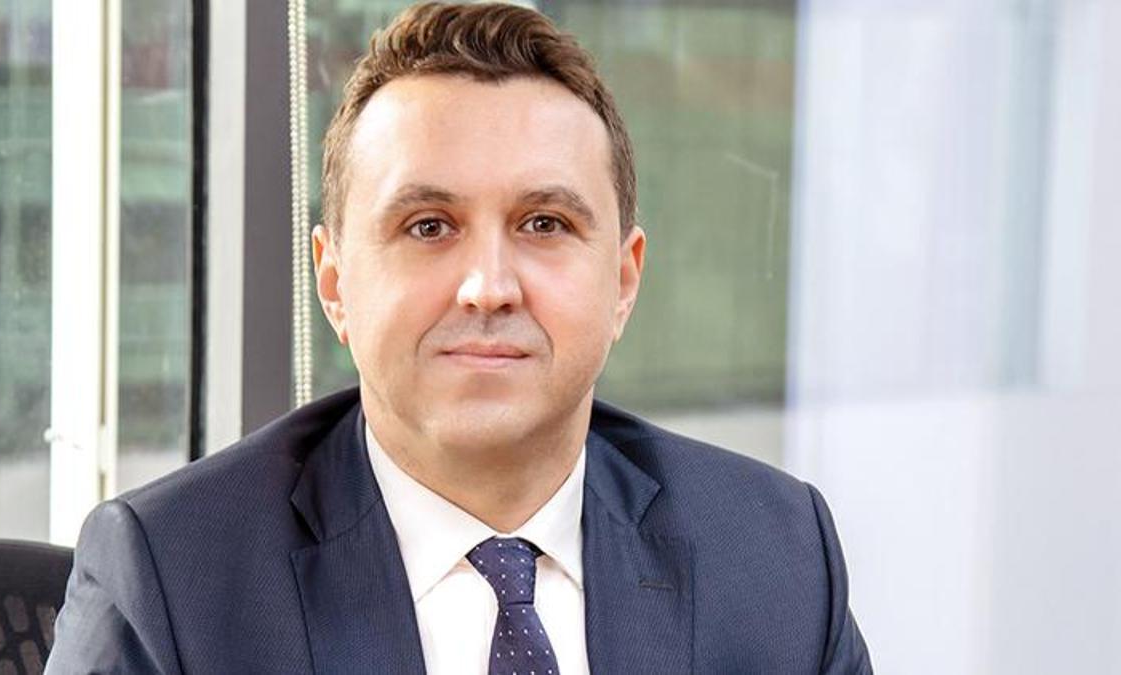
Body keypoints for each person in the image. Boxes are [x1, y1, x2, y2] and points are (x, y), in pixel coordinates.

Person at [47, 2, 872, 673]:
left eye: (543, 223)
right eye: (429, 225)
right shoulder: (173, 581)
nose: (488, 286)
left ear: (623, 281)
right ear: (334, 283)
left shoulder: (777, 555)